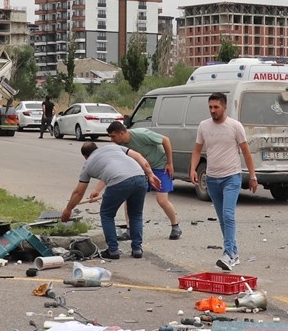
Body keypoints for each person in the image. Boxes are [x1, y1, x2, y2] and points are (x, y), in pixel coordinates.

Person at [189, 92, 257, 271]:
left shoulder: (235, 126)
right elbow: (197, 151)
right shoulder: (204, 126)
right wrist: (193, 169)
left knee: (228, 215)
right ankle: (234, 252)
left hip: (231, 177)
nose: (213, 111)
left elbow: (247, 153)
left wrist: (252, 176)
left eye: (216, 107)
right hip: (212, 179)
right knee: (222, 219)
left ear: (224, 107)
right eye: (210, 107)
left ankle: (228, 254)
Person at [60, 141, 160, 260]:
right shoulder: (114, 148)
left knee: (107, 214)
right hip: (140, 177)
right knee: (136, 215)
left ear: (85, 156)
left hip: (119, 183)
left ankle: (113, 250)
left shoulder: (88, 164)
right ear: (97, 148)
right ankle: (137, 249)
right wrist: (150, 174)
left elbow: (78, 192)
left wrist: (68, 209)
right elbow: (137, 156)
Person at [90, 121, 182, 240]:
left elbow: (166, 140)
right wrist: (97, 189)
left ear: (122, 133)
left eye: (113, 136)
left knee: (162, 200)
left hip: (159, 166)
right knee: (129, 197)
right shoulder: (119, 147)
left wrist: (169, 162)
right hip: (139, 169)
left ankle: (175, 226)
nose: (112, 140)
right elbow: (113, 170)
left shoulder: (141, 134)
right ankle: (130, 229)